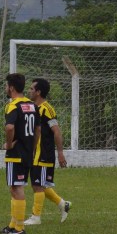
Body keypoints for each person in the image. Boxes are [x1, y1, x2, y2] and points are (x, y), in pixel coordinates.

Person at [24, 78, 71, 225]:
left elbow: (56, 131)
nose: (29, 91)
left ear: (38, 92)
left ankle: (36, 217)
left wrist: (60, 153)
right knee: (38, 184)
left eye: (32, 89)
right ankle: (63, 204)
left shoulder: (47, 109)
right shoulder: (33, 107)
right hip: (35, 153)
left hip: (44, 154)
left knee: (38, 185)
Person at [0, 73, 40, 234]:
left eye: (6, 86)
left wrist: (8, 144)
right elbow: (37, 130)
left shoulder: (13, 106)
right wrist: (33, 147)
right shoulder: (32, 105)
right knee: (15, 187)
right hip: (27, 152)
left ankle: (19, 228)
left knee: (17, 188)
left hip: (15, 153)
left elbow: (9, 128)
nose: (5, 88)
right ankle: (13, 224)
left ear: (12, 88)